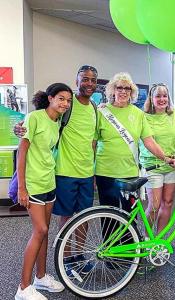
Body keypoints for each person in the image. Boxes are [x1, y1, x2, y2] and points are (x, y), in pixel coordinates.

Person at [13, 65, 99, 276]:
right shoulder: (66, 107)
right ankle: (66, 259)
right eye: (84, 79)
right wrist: (19, 127)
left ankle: (78, 256)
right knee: (66, 217)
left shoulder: (95, 107)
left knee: (84, 217)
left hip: (86, 174)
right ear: (77, 81)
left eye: (93, 80)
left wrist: (94, 171)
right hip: (65, 172)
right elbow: (39, 120)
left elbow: (93, 141)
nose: (89, 83)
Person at [15, 83, 73, 300]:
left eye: (68, 100)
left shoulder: (57, 121)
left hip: (49, 182)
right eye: (61, 98)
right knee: (39, 230)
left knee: (45, 231)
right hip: (33, 184)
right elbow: (22, 153)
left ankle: (40, 277)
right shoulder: (34, 117)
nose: (65, 103)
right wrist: (22, 187)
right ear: (50, 98)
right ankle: (23, 287)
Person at [94, 73, 175, 214]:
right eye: (119, 87)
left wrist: (165, 158)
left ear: (132, 92)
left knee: (129, 214)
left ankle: (130, 237)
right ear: (113, 90)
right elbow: (93, 143)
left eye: (127, 88)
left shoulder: (138, 114)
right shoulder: (101, 111)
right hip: (105, 171)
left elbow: (149, 141)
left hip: (130, 172)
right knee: (108, 215)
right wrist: (90, 171)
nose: (123, 91)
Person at [139, 83, 175, 234]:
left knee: (168, 203)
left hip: (172, 166)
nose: (162, 99)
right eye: (158, 96)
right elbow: (148, 141)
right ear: (151, 98)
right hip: (153, 166)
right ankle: (147, 237)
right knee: (154, 206)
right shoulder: (144, 117)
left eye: (165, 96)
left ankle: (160, 240)